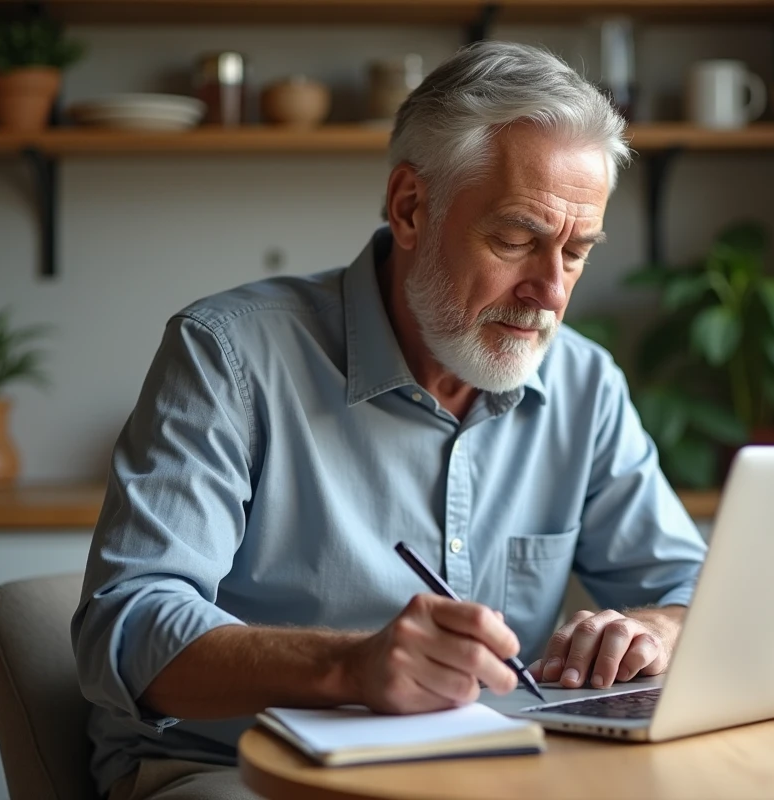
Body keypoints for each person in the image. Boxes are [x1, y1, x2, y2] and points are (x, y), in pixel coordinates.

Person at [72, 40, 707, 800]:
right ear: (411, 207)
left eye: (576, 252)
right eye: (516, 239)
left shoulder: (584, 381)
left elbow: (692, 588)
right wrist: (348, 667)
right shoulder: (228, 354)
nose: (550, 293)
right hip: (231, 768)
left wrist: (654, 629)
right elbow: (126, 628)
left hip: (484, 772)